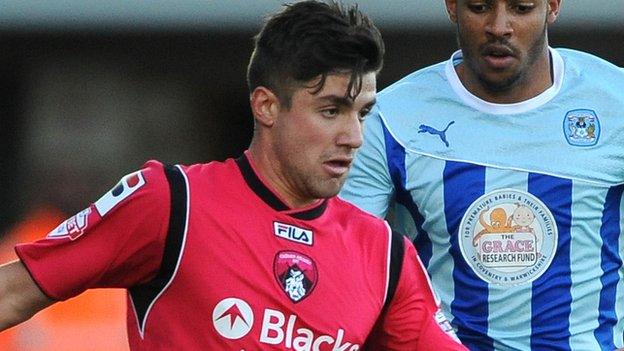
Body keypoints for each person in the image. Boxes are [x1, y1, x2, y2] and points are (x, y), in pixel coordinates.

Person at [0, 1, 467, 349]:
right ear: (266, 106)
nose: (354, 136)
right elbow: (14, 293)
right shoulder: (170, 203)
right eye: (330, 111)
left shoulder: (383, 255)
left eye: (362, 113)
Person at [340, 0, 624, 350]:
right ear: (452, 6)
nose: (499, 26)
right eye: (479, 7)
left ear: (552, 7)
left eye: (521, 8)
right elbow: (348, 268)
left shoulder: (615, 104)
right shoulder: (391, 119)